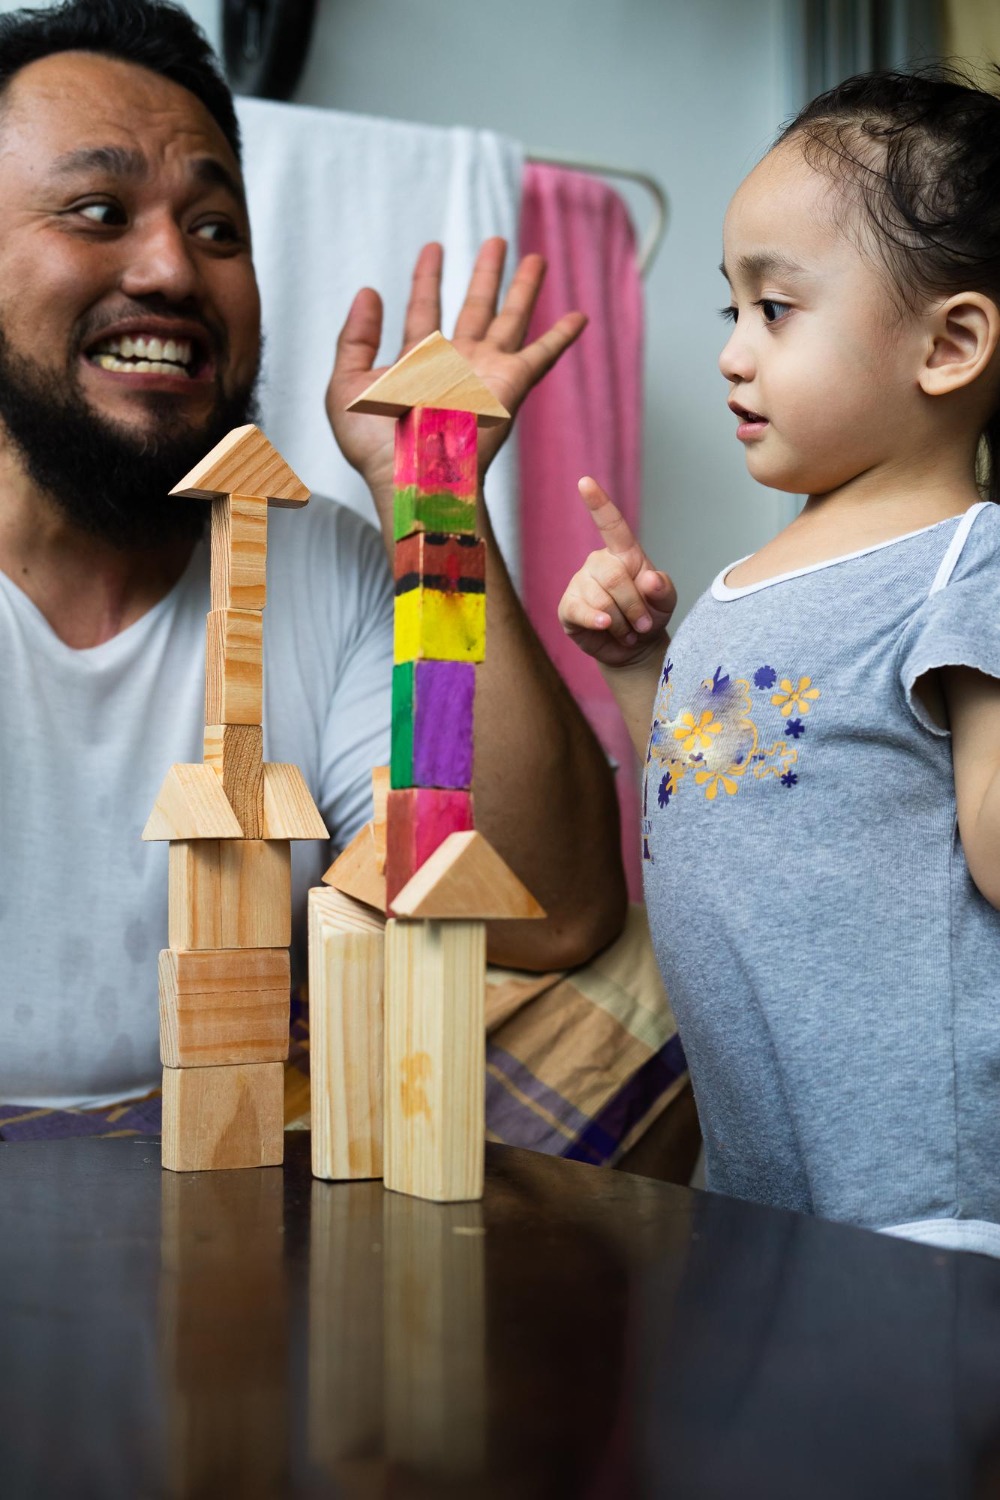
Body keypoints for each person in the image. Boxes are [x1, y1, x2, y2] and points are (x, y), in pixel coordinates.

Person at [0, 0, 629, 1113]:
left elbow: (546, 913)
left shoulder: (323, 566)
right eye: (100, 212)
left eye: (216, 230)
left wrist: (434, 492)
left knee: (633, 995)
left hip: (231, 1145)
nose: (173, 270)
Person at [560, 68, 1000, 1254]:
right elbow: (714, 790)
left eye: (774, 309)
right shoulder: (747, 580)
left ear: (948, 344)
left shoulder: (966, 564)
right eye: (731, 310)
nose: (732, 354)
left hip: (926, 1194)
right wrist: (641, 667)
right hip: (762, 1185)